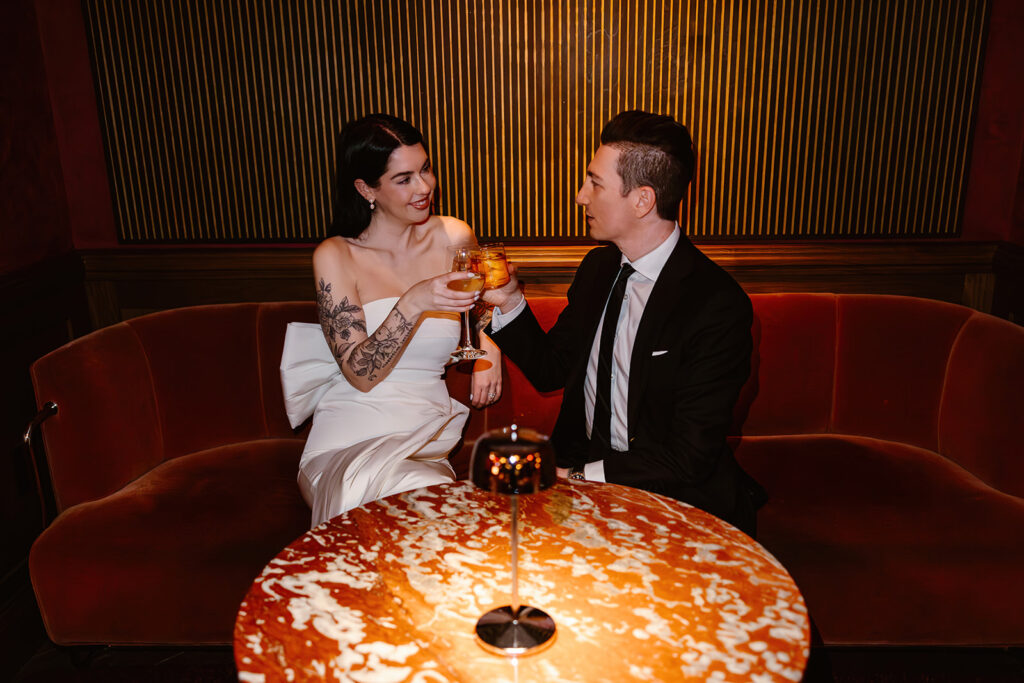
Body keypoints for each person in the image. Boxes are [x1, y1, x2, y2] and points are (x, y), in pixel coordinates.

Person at [483, 110, 765, 536]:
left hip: (675, 495)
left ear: (642, 200)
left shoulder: (716, 305)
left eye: (594, 183)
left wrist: (575, 477)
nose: (581, 196)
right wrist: (509, 301)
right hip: (577, 479)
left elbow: (687, 457)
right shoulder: (598, 268)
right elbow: (550, 370)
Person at [280, 113, 502, 527]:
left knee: (432, 509)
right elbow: (361, 374)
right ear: (366, 189)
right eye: (404, 179)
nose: (424, 188)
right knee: (394, 515)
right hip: (346, 441)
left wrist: (489, 343)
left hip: (422, 441)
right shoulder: (335, 255)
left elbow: (479, 309)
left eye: (425, 170)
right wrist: (412, 302)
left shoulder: (453, 236)